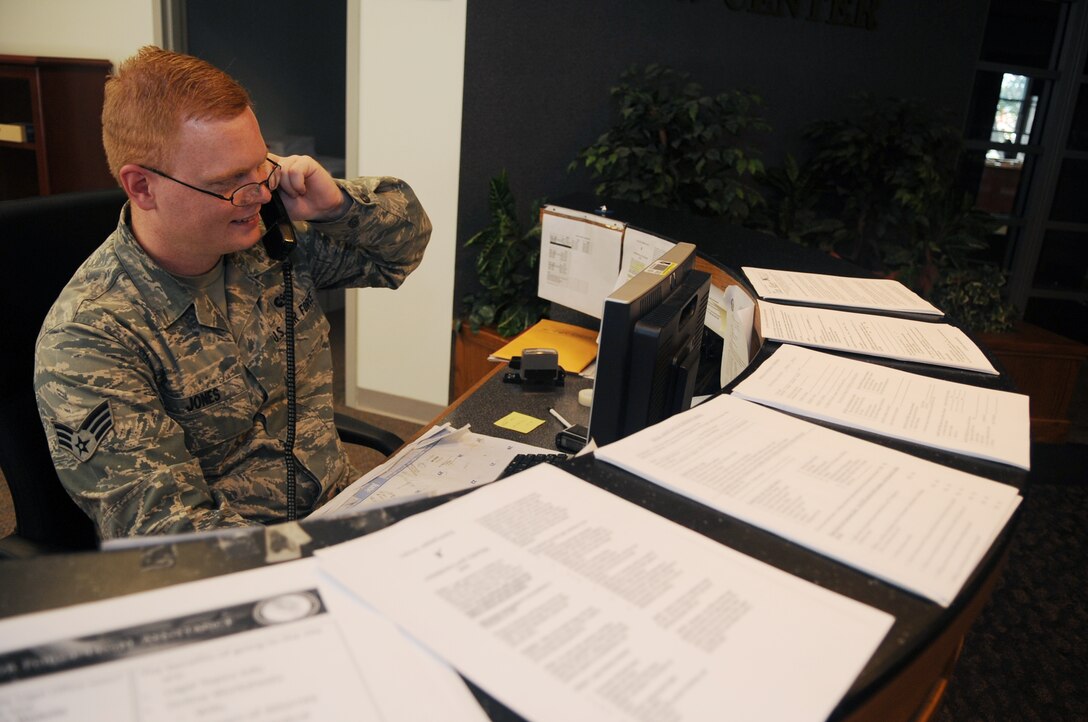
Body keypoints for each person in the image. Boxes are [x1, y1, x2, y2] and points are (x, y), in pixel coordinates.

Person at [33, 46, 431, 540]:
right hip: (247, 562)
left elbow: (401, 251)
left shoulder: (268, 240)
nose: (261, 195)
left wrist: (337, 207)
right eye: (229, 182)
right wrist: (315, 556)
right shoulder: (90, 336)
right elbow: (167, 530)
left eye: (260, 166)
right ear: (142, 187)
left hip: (341, 508)